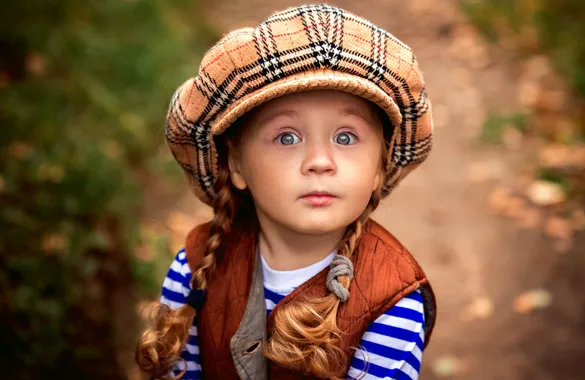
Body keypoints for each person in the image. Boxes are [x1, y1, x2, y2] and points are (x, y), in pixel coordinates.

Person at [136, 4, 436, 380]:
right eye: (287, 137)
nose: (319, 161)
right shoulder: (196, 267)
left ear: (379, 167)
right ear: (237, 165)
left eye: (346, 137)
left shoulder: (392, 298)